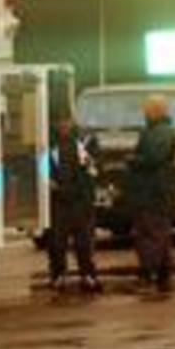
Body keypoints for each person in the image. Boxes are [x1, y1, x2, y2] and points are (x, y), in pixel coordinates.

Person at [126, 94, 175, 293]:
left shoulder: (161, 132)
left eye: (147, 109)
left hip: (153, 191)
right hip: (155, 191)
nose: (144, 112)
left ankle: (147, 274)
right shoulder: (155, 131)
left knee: (150, 234)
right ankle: (164, 276)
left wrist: (132, 159)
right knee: (160, 233)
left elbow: (154, 158)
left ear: (158, 111)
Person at [46, 114, 102, 293]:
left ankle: (88, 275)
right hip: (58, 202)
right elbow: (41, 169)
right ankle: (58, 275)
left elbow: (92, 171)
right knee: (57, 243)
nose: (63, 124)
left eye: (66, 120)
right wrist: (49, 183)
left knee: (84, 243)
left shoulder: (84, 143)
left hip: (79, 201)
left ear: (72, 122)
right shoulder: (48, 145)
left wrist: (86, 195)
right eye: (59, 121)